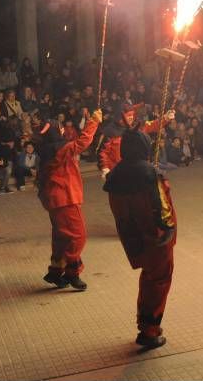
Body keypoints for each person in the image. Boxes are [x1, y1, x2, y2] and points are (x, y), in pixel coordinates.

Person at [104, 128, 176, 349]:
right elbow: (163, 208)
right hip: (155, 237)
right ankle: (149, 329)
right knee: (159, 279)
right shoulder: (150, 174)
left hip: (131, 235)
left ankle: (145, 322)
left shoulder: (115, 175)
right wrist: (169, 231)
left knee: (149, 277)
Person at [36, 109, 102, 290]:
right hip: (65, 199)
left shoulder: (48, 150)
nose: (64, 130)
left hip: (54, 200)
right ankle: (73, 273)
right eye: (61, 128)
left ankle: (55, 272)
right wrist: (94, 121)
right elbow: (83, 142)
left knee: (61, 237)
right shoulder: (61, 149)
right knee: (77, 237)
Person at [98, 101, 174, 179]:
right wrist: (105, 168)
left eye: (132, 115)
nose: (131, 117)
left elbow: (153, 125)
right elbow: (102, 152)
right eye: (128, 115)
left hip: (137, 170)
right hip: (117, 171)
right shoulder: (110, 131)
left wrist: (166, 118)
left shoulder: (137, 126)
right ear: (120, 117)